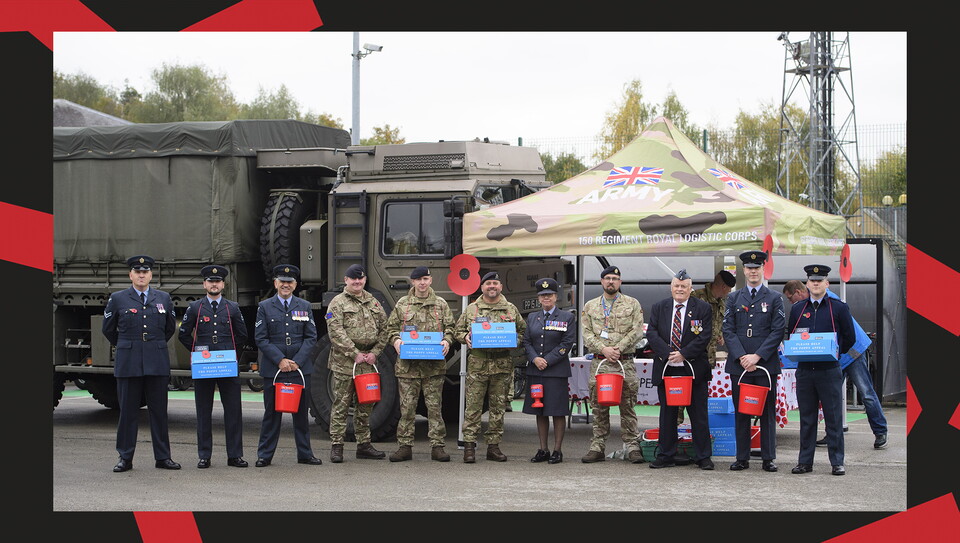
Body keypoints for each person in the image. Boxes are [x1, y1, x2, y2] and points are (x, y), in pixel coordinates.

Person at [783, 279, 888, 450]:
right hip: (833, 357)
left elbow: (844, 332)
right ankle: (832, 434)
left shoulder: (827, 299)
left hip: (852, 352)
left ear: (798, 292)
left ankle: (880, 431)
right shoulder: (805, 307)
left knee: (866, 392)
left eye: (790, 298)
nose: (790, 302)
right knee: (830, 398)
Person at [102, 255, 180, 472]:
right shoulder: (118, 298)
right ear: (131, 275)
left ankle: (163, 457)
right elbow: (108, 329)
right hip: (129, 362)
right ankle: (125, 457)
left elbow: (169, 328)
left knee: (159, 412)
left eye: (145, 272)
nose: (141, 275)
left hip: (156, 361)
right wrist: (128, 345)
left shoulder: (163, 298)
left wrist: (151, 345)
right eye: (137, 272)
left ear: (151, 275)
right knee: (128, 412)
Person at [787, 264, 856, 476]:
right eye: (812, 281)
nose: (816, 284)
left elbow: (849, 337)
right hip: (805, 371)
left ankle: (837, 462)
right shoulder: (798, 309)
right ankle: (805, 462)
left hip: (829, 370)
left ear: (827, 283)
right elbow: (791, 334)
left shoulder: (839, 308)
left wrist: (834, 352)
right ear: (807, 284)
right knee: (807, 419)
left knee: (833, 418)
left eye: (820, 281)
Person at [178, 265, 249, 469]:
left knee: (233, 411)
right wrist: (197, 351)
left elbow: (242, 335)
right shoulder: (195, 308)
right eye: (210, 281)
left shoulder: (232, 307)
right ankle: (204, 455)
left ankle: (234, 455)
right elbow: (183, 334)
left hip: (227, 365)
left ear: (223, 285)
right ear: (204, 284)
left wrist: (231, 354)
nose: (214, 284)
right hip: (204, 365)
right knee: (203, 411)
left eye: (217, 281)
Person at [454, 271, 526, 463]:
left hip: (502, 365)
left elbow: (522, 331)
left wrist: (515, 340)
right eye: (488, 284)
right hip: (478, 364)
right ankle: (469, 447)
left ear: (500, 287)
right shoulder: (472, 309)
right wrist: (465, 337)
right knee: (473, 407)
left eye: (495, 283)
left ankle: (493, 447)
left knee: (498, 408)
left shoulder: (510, 309)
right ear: (482, 287)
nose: (492, 286)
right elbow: (457, 331)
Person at [253, 264, 322, 467]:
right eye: (282, 281)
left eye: (289, 282)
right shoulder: (264, 307)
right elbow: (261, 338)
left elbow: (311, 337)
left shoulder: (304, 306)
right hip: (274, 369)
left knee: (301, 414)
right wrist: (280, 360)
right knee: (272, 414)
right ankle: (265, 455)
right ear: (275, 283)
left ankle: (305, 454)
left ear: (295, 284)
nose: (286, 285)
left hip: (299, 369)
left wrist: (297, 361)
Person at [722, 251, 785, 472]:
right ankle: (742, 457)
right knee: (742, 411)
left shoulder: (774, 298)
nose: (753, 272)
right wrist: (742, 357)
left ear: (763, 270)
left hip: (765, 365)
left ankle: (768, 458)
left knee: (767, 412)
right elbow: (728, 330)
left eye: (757, 268)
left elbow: (778, 331)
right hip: (740, 365)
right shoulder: (734, 298)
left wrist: (757, 356)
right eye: (749, 268)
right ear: (744, 271)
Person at [646, 269, 714, 470]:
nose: (680, 289)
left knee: (698, 415)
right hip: (667, 368)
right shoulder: (659, 307)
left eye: (684, 286)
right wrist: (668, 353)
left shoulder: (703, 308)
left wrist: (684, 353)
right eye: (676, 285)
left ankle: (703, 456)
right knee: (667, 415)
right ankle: (666, 455)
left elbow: (705, 336)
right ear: (671, 287)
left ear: (690, 289)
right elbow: (652, 333)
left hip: (693, 368)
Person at [385, 266, 456, 462]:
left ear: (430, 280)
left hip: (433, 368)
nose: (422, 283)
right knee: (407, 409)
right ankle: (404, 447)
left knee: (435, 408)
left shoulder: (440, 304)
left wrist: (447, 341)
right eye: (419, 279)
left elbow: (451, 328)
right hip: (408, 367)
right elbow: (390, 328)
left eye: (425, 279)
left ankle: (437, 447)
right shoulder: (403, 304)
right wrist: (396, 340)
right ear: (413, 282)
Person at [579, 265, 645, 464]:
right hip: (600, 363)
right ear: (602, 281)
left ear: (620, 282)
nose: (611, 282)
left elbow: (637, 330)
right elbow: (586, 334)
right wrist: (604, 349)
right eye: (607, 278)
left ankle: (632, 446)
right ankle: (597, 446)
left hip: (624, 363)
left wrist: (618, 348)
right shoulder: (591, 306)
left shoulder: (632, 304)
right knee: (599, 406)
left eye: (615, 279)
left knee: (628, 406)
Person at [325, 263, 389, 463]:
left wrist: (375, 353)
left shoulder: (373, 302)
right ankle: (337, 446)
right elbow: (335, 332)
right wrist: (354, 353)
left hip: (367, 363)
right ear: (346, 280)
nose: (357, 282)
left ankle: (364, 445)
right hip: (345, 362)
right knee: (341, 405)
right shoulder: (337, 302)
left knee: (366, 405)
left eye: (360, 278)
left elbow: (385, 328)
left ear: (365, 280)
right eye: (353, 278)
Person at [521, 278, 576, 464]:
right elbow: (527, 341)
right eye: (543, 295)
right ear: (538, 298)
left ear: (556, 297)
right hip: (536, 371)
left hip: (556, 371)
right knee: (540, 410)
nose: (546, 298)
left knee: (557, 411)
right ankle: (543, 449)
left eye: (550, 295)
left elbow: (567, 343)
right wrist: (535, 358)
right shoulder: (532, 317)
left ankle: (557, 450)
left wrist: (548, 360)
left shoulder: (566, 317)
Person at [679, 269, 735, 425]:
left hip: (708, 358)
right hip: (690, 356)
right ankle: (676, 428)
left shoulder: (721, 302)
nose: (728, 293)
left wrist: (720, 334)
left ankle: (698, 430)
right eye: (728, 289)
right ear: (724, 287)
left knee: (700, 399)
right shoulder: (697, 297)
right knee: (682, 397)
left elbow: (718, 323)